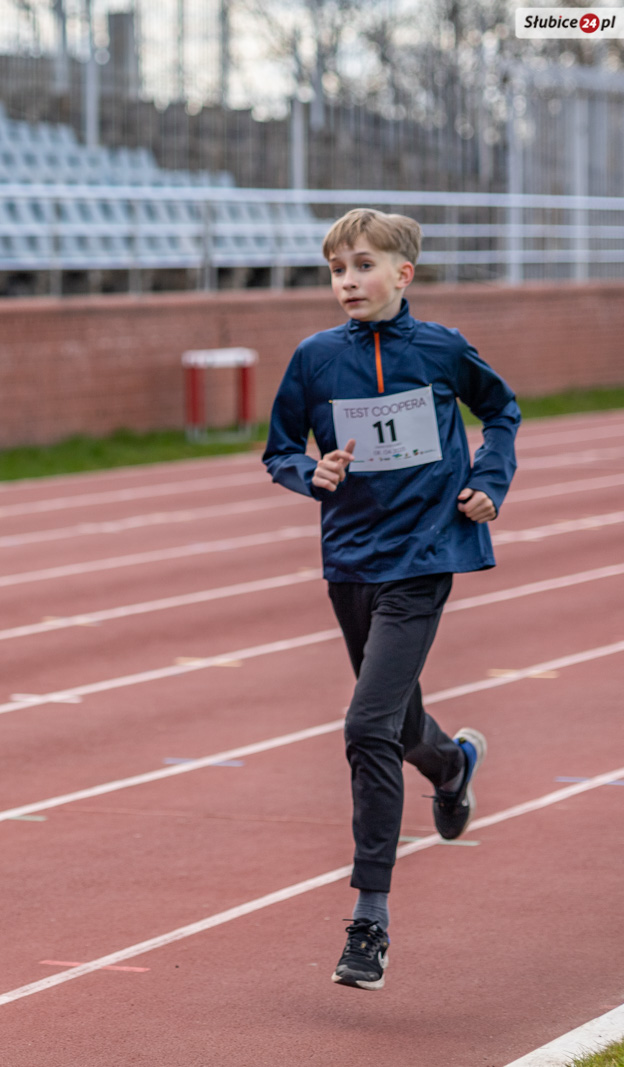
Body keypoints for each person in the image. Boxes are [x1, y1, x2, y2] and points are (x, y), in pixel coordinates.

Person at [262, 208, 519, 991]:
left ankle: (369, 919)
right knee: (398, 721)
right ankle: (452, 764)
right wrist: (311, 474)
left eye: (363, 265)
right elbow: (280, 449)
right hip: (351, 562)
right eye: (337, 269)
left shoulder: (440, 349)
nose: (348, 281)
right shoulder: (314, 359)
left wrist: (489, 480)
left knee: (366, 725)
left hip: (425, 556)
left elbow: (501, 410)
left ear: (403, 273)